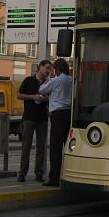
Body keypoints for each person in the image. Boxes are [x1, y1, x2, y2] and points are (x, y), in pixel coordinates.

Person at [38, 58, 72, 187]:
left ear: (56, 70)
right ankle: (68, 176)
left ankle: (54, 178)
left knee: (55, 148)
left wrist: (49, 78)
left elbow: (41, 90)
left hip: (57, 116)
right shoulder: (70, 80)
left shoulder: (55, 80)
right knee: (68, 147)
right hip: (69, 114)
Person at [17, 59, 51, 183]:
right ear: (40, 67)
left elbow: (51, 98)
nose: (48, 70)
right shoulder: (29, 80)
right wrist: (33, 97)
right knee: (26, 146)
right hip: (29, 117)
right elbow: (19, 95)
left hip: (42, 118)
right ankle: (22, 173)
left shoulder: (48, 83)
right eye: (46, 68)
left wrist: (45, 99)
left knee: (41, 147)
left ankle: (39, 173)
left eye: (49, 69)